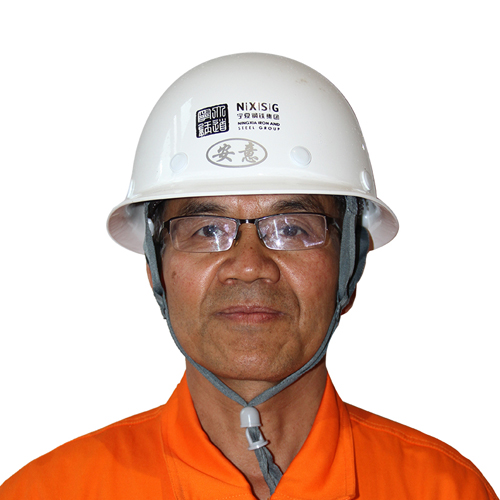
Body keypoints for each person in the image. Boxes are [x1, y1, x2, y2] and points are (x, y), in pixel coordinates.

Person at [0, 53, 497, 500]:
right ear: (155, 269)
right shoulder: (48, 492)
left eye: (292, 228)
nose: (249, 265)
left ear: (352, 263)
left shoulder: (444, 490)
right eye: (206, 229)